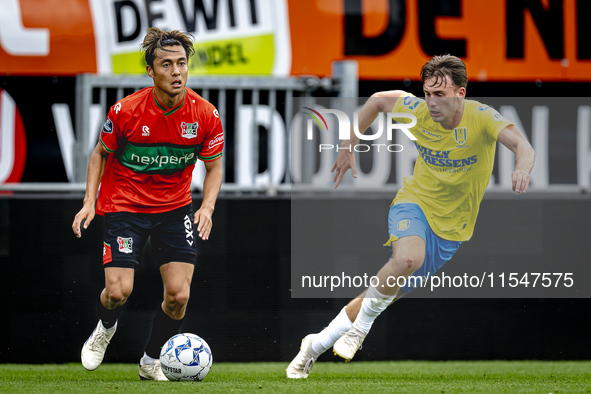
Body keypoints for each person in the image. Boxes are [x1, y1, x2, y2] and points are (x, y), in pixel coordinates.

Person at [286, 54, 535, 378]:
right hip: (414, 202)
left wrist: (522, 168)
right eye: (427, 93)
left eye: (440, 95)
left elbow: (523, 145)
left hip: (452, 230)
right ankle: (360, 330)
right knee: (406, 260)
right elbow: (375, 101)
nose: (431, 102)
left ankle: (313, 347)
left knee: (379, 295)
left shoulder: (482, 118)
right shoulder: (416, 110)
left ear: (460, 93)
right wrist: (349, 145)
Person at [72, 27, 224, 381]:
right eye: (166, 64)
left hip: (174, 210)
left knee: (178, 296)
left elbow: (214, 167)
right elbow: (99, 154)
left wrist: (207, 207)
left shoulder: (205, 114)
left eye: (182, 64)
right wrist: (89, 202)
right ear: (150, 71)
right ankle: (105, 329)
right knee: (117, 292)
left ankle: (151, 360)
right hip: (125, 207)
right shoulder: (126, 111)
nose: (176, 72)